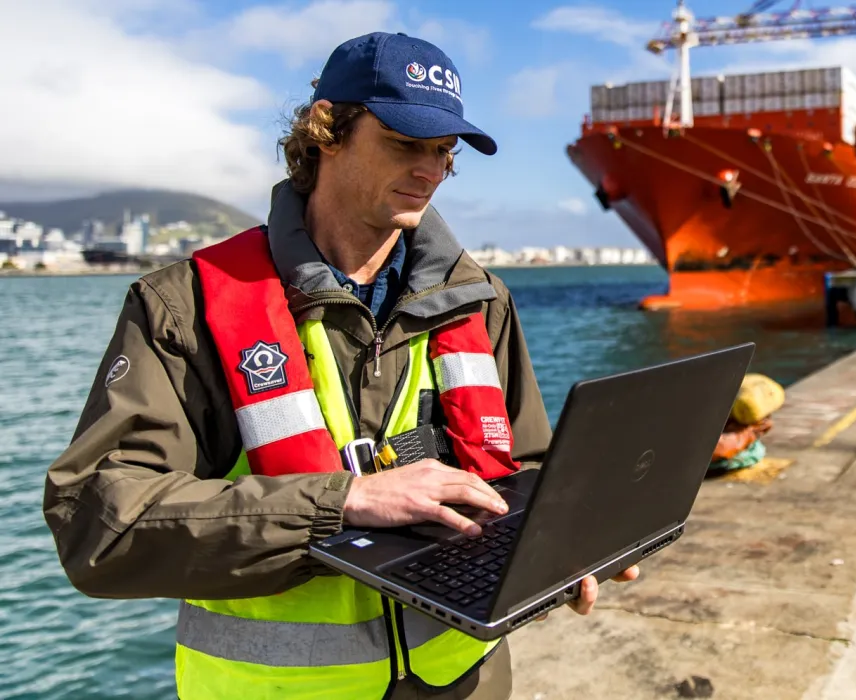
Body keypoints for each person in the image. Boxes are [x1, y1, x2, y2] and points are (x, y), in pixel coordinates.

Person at [42, 31, 637, 700]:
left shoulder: (482, 298)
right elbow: (97, 522)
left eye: (444, 152)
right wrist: (342, 502)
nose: (431, 171)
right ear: (325, 130)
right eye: (406, 144)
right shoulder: (182, 306)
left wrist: (563, 543)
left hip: (468, 681)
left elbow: (523, 471)